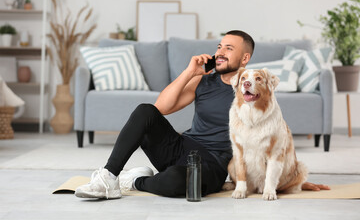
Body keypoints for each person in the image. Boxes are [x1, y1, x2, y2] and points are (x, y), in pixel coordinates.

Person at [75, 30, 329, 199]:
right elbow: (160, 108)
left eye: (229, 48)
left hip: (214, 163)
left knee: (177, 182)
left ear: (245, 58)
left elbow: (276, 141)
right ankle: (109, 177)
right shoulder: (204, 81)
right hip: (182, 146)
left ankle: (137, 181)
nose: (220, 52)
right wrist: (190, 73)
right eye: (219, 46)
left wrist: (293, 181)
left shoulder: (254, 87)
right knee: (144, 111)